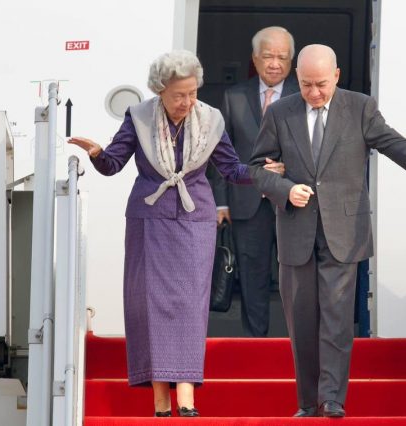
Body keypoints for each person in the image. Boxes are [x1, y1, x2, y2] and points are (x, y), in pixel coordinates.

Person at [68, 50, 283, 418]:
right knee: (150, 306)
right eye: (178, 95)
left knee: (188, 307)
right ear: (160, 90)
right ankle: (160, 401)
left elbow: (231, 169)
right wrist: (97, 153)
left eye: (192, 93)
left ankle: (186, 397)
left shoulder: (211, 119)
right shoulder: (139, 116)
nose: (187, 102)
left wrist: (261, 173)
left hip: (195, 220)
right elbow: (113, 164)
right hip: (149, 219)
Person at [249, 44, 406, 418]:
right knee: (302, 321)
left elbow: (392, 142)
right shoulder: (280, 112)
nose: (314, 92)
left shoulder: (359, 107)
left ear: (337, 76)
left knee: (336, 317)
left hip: (344, 230)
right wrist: (283, 189)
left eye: (321, 84)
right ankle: (307, 403)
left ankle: (331, 398)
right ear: (297, 78)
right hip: (296, 230)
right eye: (307, 84)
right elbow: (256, 168)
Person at [211, 26, 299, 337]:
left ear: (291, 60)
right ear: (254, 58)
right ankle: (255, 341)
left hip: (294, 200)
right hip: (247, 202)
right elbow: (221, 152)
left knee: (297, 275)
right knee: (252, 276)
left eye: (282, 57)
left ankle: (297, 342)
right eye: (268, 56)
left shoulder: (304, 93)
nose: (275, 63)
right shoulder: (234, 96)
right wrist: (221, 203)